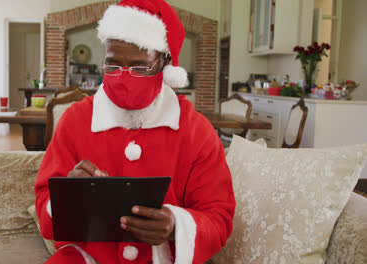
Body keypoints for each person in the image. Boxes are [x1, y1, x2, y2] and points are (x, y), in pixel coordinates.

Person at [34, 0, 235, 263]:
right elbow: (44, 205)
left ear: (164, 62)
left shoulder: (196, 131)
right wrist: (68, 196)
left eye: (140, 67)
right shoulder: (75, 120)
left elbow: (218, 217)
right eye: (113, 65)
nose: (124, 77)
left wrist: (175, 225)